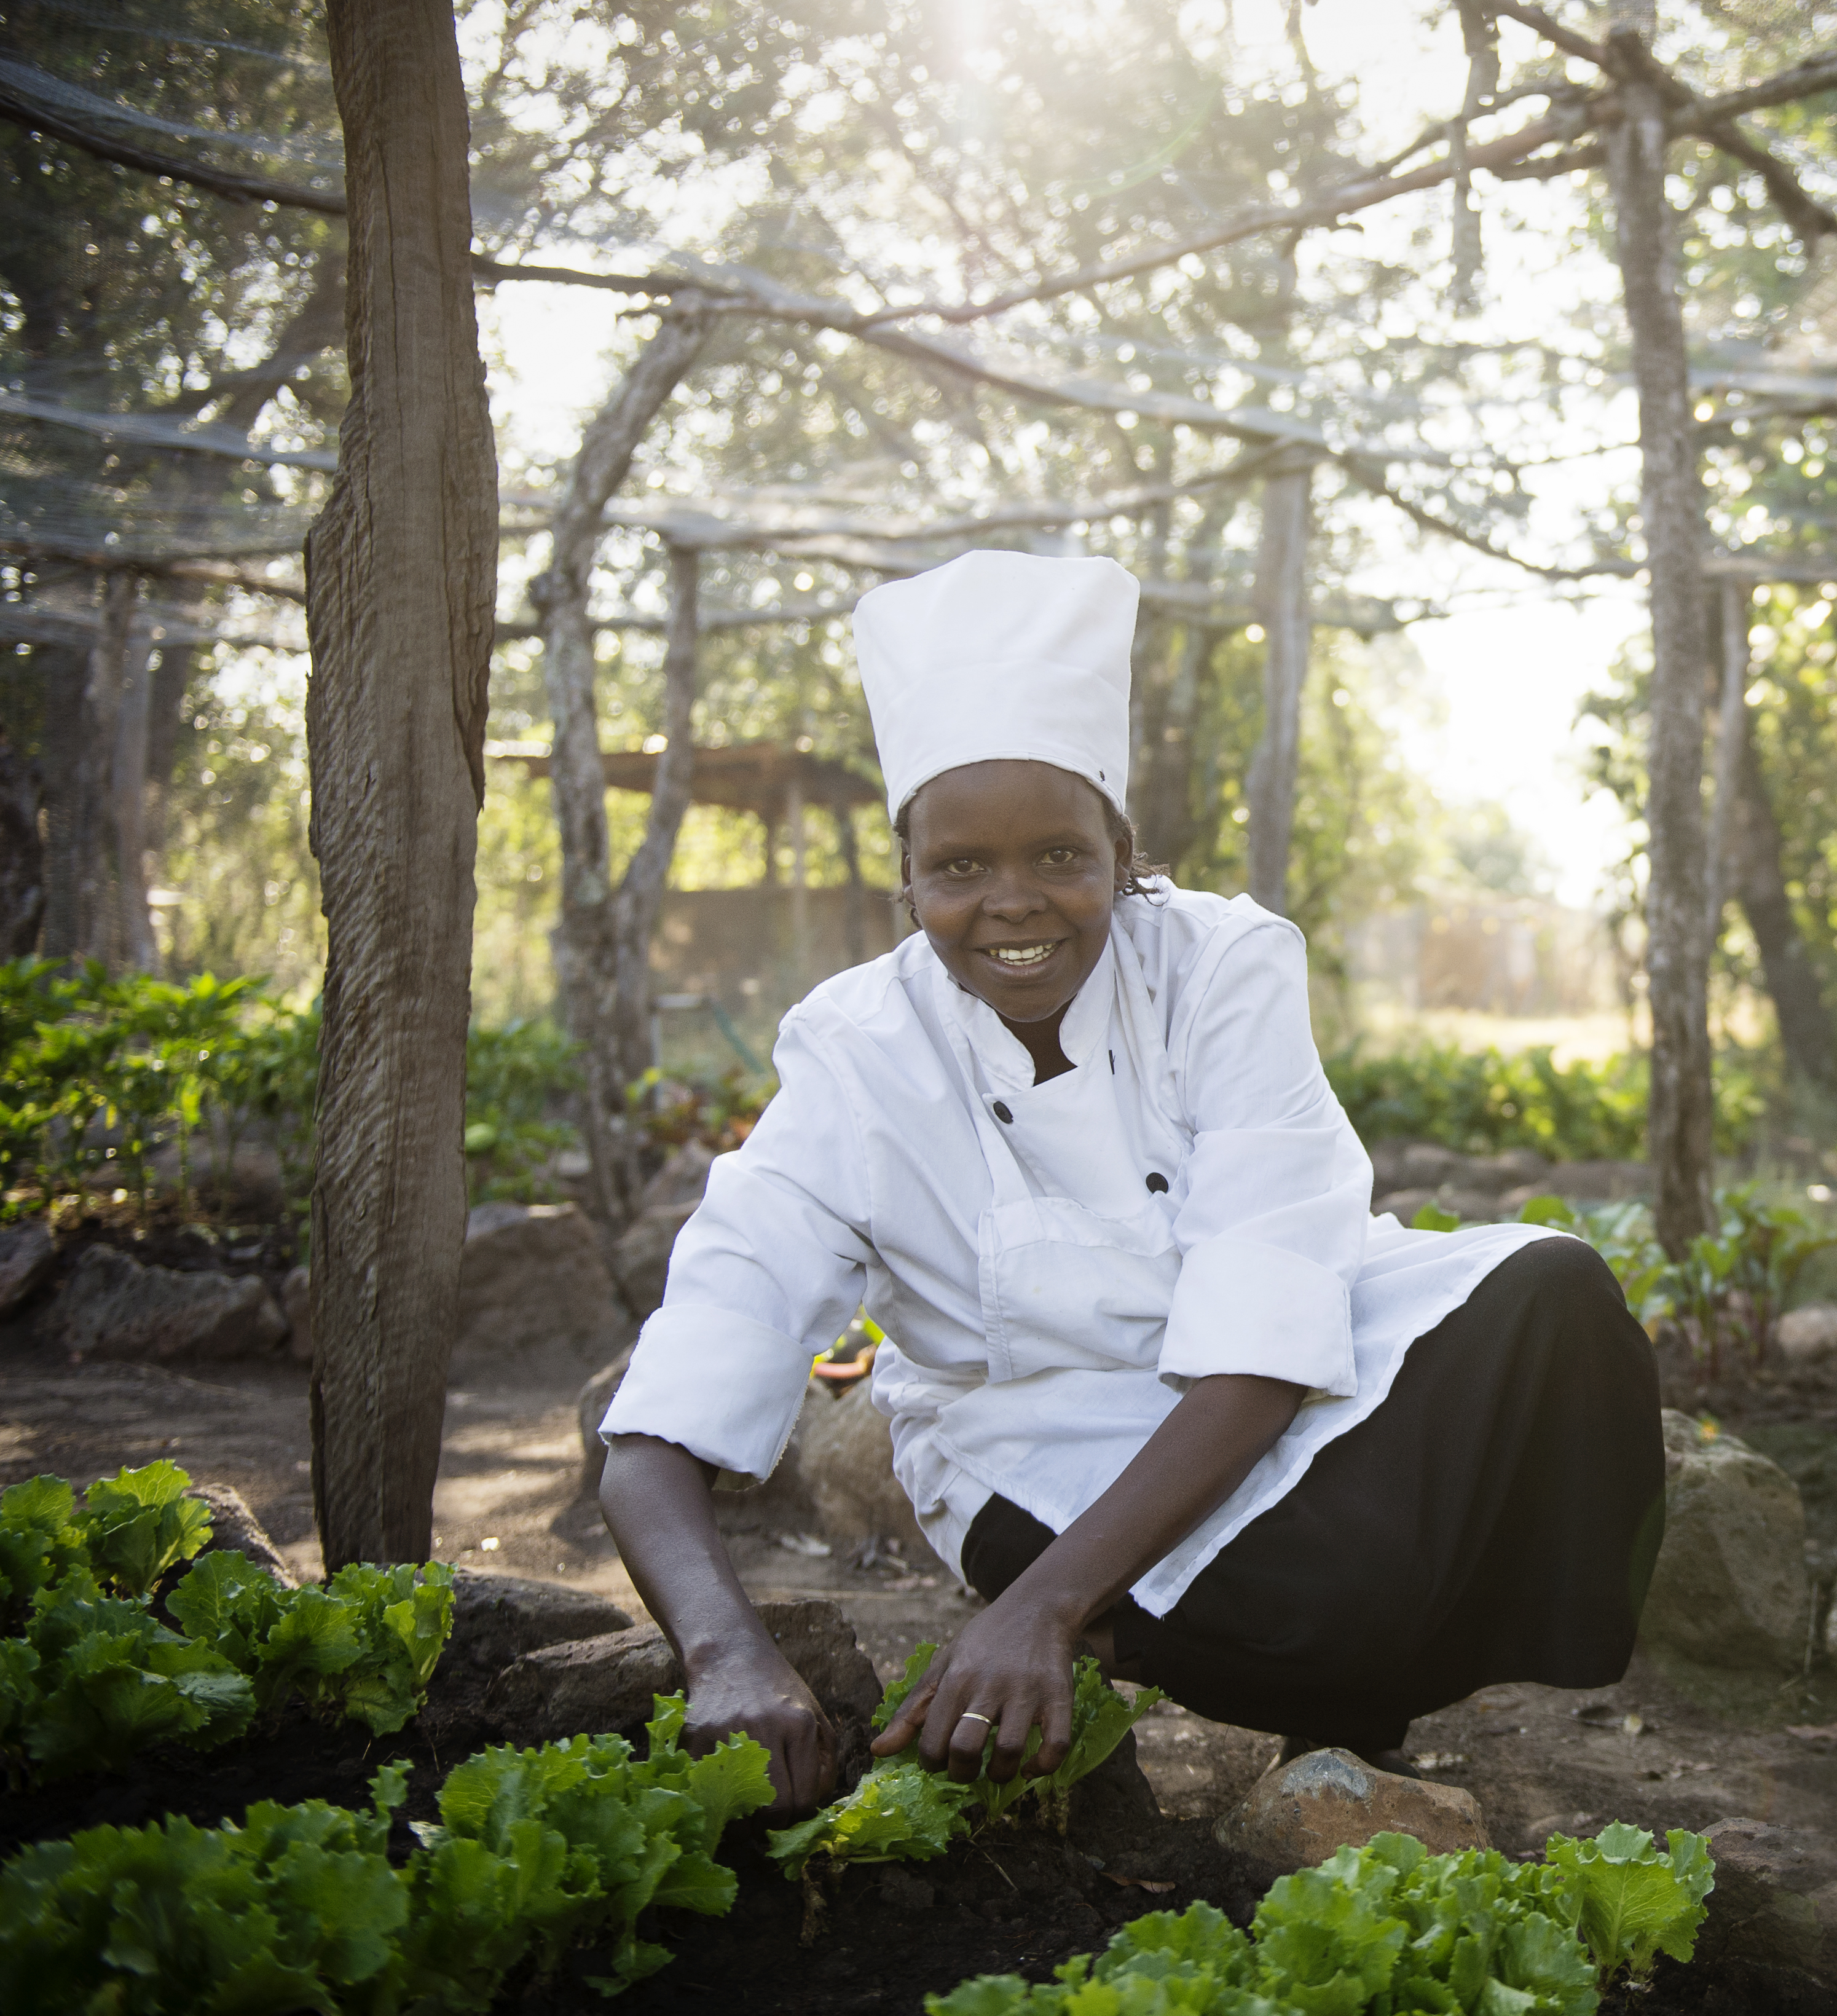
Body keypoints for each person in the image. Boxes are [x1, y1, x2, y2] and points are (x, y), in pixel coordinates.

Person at [597, 549, 1664, 1811]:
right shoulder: (854, 1054)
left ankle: (1253, 1646)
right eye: (959, 868)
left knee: (1554, 1290)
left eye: (1058, 854)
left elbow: (1267, 1327)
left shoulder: (1220, 965)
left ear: (1122, 849)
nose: (1012, 905)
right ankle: (1283, 1658)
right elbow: (674, 1399)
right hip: (1031, 1433)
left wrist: (1046, 1610)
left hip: (1265, 1379)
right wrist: (724, 1653)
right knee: (1333, 1603)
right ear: (908, 878)